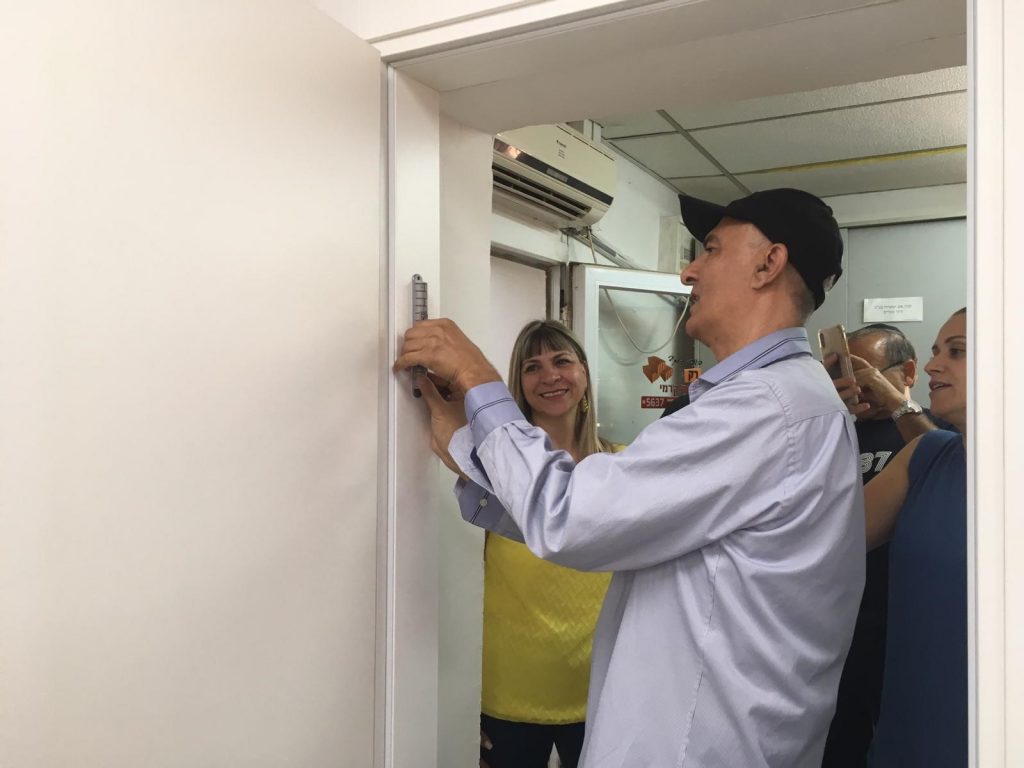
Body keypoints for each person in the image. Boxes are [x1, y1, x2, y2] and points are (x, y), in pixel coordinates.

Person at [397, 188, 865, 767]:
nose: (689, 271)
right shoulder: (785, 403)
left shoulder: (765, 409)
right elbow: (614, 525)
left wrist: (476, 376)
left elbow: (573, 517)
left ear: (768, 264)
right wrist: (469, 447)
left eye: (711, 249)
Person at [479, 320, 615, 768]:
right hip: (508, 695)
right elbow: (458, 585)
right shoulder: (495, 475)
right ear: (519, 385)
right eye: (532, 367)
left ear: (584, 373)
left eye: (561, 361)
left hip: (602, 689)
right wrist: (461, 698)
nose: (550, 376)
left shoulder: (624, 467)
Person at [843, 308, 968, 767]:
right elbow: (831, 543)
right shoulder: (927, 455)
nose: (935, 365)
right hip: (910, 691)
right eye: (936, 351)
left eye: (956, 352)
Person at [822, 324, 938, 767]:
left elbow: (938, 458)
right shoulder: (832, 433)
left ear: (907, 372)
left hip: (903, 623)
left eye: (864, 370)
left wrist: (892, 400)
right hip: (837, 622)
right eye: (845, 372)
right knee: (838, 742)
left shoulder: (937, 432)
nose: (856, 383)